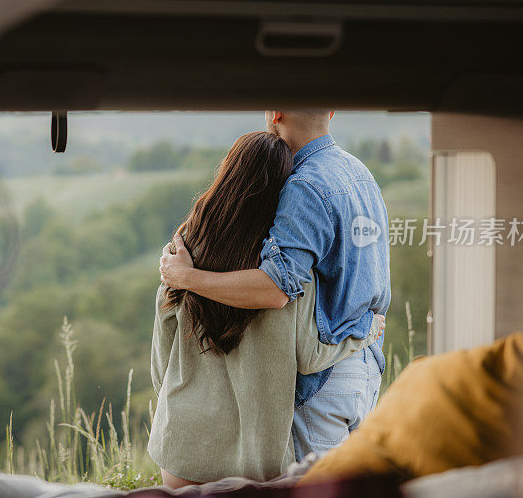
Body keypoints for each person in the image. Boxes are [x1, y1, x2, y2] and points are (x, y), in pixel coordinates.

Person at [148, 131, 385, 488]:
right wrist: (367, 329)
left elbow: (160, 369)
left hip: (182, 444)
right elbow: (309, 354)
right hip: (254, 456)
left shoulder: (181, 256)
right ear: (282, 191)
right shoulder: (287, 281)